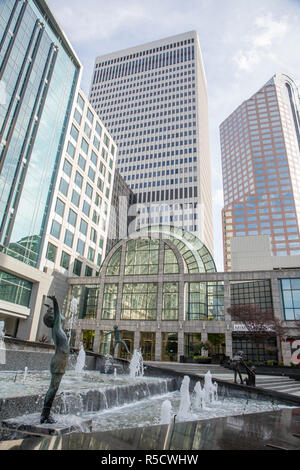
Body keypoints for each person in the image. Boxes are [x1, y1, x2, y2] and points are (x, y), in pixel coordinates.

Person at [40, 295, 70, 424]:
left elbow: (61, 317)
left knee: (54, 388)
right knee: (53, 389)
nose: (59, 317)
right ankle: (45, 415)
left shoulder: (57, 329)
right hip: (58, 361)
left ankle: (45, 414)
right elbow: (59, 316)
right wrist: (55, 301)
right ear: (54, 319)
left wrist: (50, 307)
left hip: (60, 360)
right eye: (56, 316)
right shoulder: (57, 329)